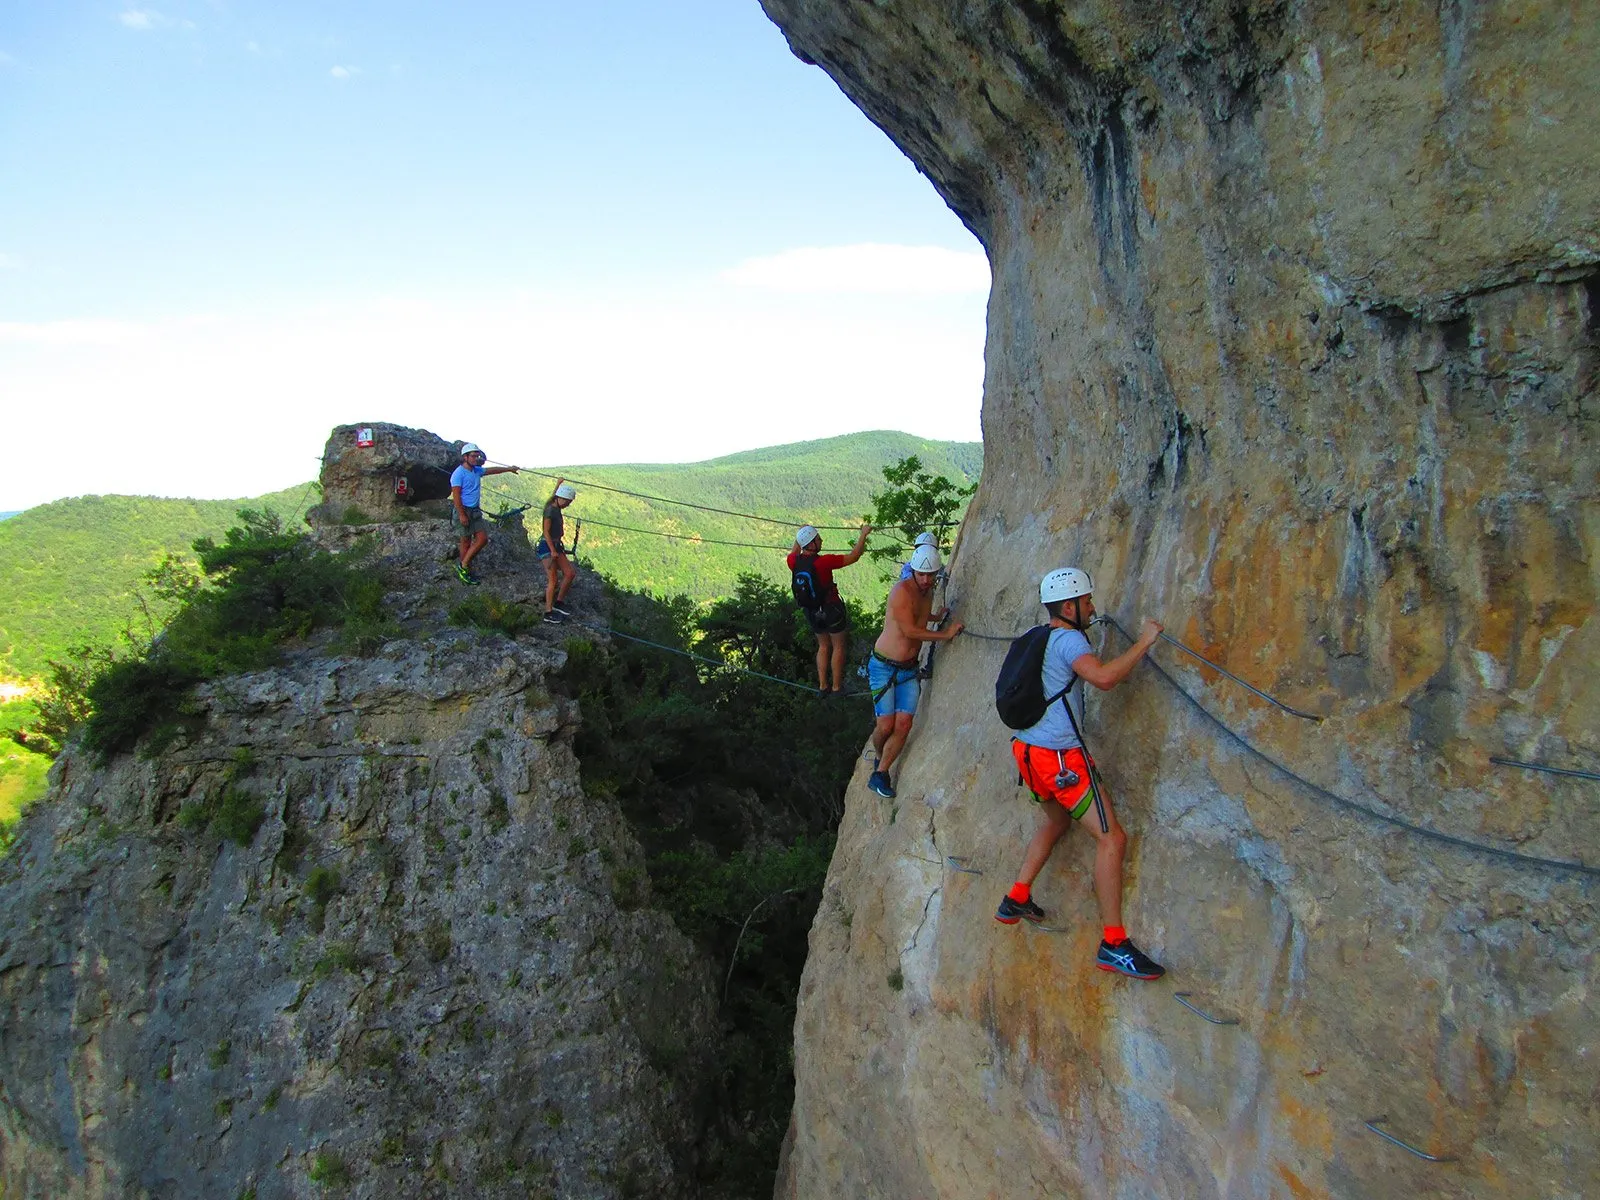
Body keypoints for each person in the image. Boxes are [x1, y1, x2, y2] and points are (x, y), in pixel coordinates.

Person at [994, 567, 1166, 982]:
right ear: (1068, 606)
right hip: (1060, 761)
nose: (1092, 606)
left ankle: (1016, 897)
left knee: (1056, 822)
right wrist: (1145, 641)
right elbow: (1104, 678)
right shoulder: (1070, 639)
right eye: (1087, 600)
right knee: (1112, 838)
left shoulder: (1043, 635)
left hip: (1028, 752)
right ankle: (1115, 943)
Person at [866, 543, 962, 798]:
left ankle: (881, 773)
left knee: (904, 724)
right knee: (886, 726)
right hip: (883, 667)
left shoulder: (926, 592)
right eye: (922, 574)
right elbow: (909, 630)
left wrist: (935, 616)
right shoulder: (901, 592)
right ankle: (878, 755)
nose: (926, 579)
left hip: (908, 669)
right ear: (914, 571)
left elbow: (917, 618)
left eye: (931, 575)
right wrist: (945, 634)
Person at [788, 522, 871, 694]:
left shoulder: (793, 561)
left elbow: (796, 549)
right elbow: (854, 556)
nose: (821, 540)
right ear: (811, 544)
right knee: (839, 646)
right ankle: (836, 687)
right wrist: (864, 534)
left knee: (823, 646)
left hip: (811, 611)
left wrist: (801, 533)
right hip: (831, 609)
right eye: (818, 538)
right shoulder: (824, 562)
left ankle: (823, 685)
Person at [450, 443, 519, 585]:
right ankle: (465, 568)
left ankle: (463, 565)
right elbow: (456, 496)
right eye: (473, 456)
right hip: (464, 510)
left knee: (482, 539)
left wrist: (508, 469)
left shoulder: (476, 471)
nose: (476, 458)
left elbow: (491, 470)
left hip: (474, 511)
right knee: (466, 541)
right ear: (465, 457)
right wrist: (462, 515)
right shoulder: (458, 474)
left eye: (477, 456)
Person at [538, 480, 578, 622]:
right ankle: (548, 612)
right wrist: (552, 550)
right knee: (553, 579)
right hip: (547, 546)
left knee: (570, 573)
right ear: (561, 499)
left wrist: (557, 484)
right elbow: (546, 532)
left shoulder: (554, 505)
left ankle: (559, 602)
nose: (568, 504)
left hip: (556, 545)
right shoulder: (550, 511)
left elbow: (554, 495)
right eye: (567, 502)